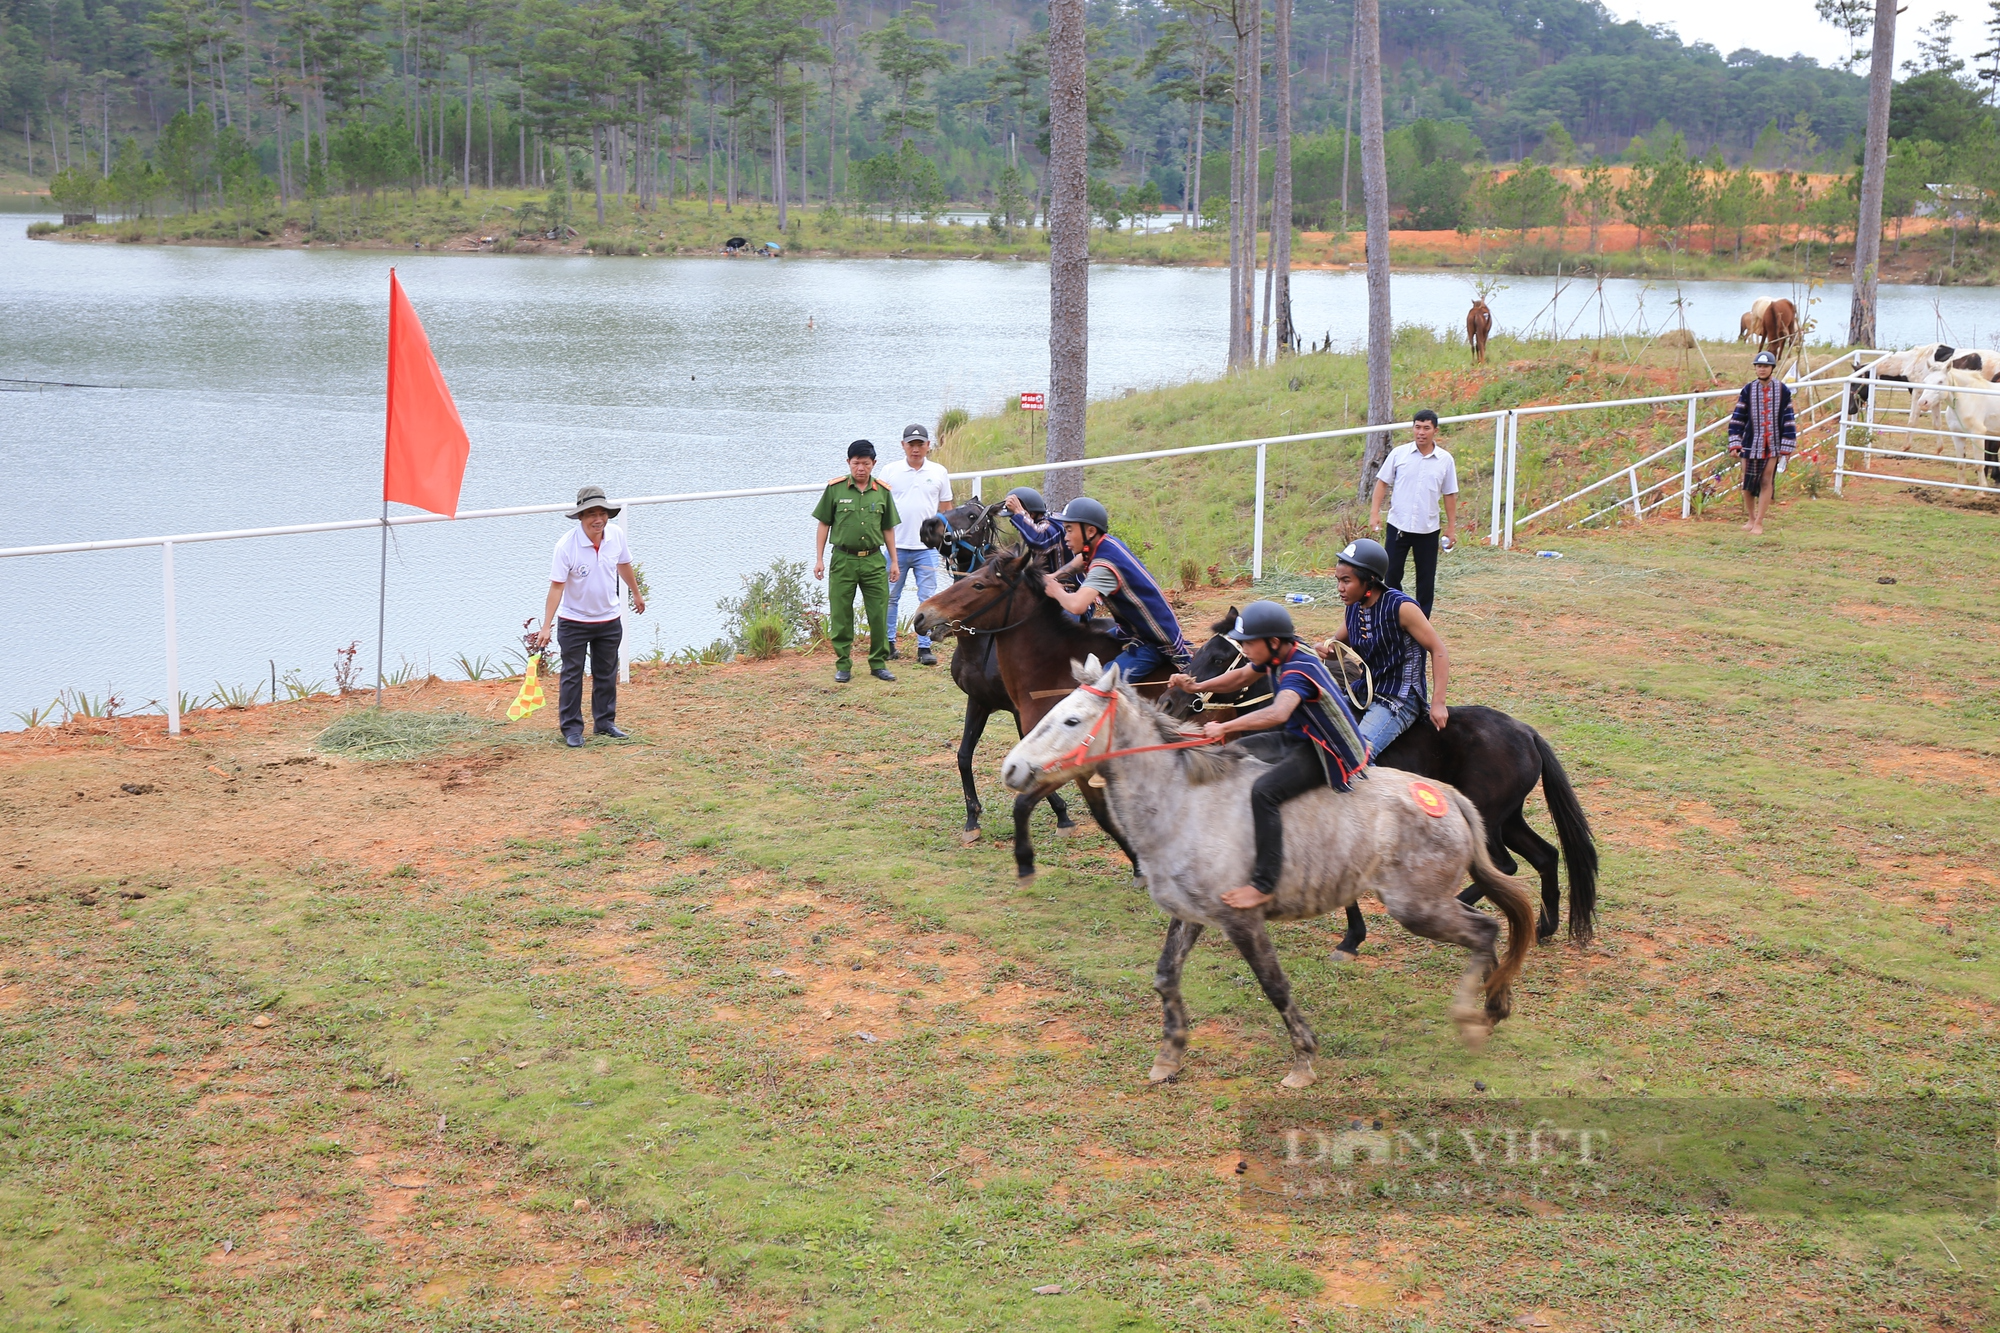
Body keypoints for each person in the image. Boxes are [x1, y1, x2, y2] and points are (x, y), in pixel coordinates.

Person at [1168, 601, 1369, 911]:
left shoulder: (1298, 667)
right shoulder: (1279, 652)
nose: (1245, 648)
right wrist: (1197, 686)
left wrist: (1227, 726)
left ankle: (1263, 884)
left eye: (1249, 643)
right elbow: (1239, 679)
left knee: (1264, 792)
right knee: (1232, 756)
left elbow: (1278, 712)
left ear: (1273, 642)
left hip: (1326, 749)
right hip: (1298, 736)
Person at [532, 486, 646, 747]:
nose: (598, 519)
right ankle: (572, 729)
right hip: (574, 622)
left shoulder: (616, 535)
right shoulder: (566, 546)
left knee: (606, 672)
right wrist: (547, 626)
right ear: (580, 517)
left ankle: (605, 723)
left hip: (609, 619)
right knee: (572, 675)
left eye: (602, 513)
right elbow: (557, 586)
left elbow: (624, 565)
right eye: (591, 514)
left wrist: (636, 594)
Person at [1321, 538, 1451, 759]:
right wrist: (1325, 650)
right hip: (1364, 692)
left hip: (1399, 700)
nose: (1340, 588)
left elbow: (1438, 650)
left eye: (1346, 581)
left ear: (1369, 581)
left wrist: (1438, 703)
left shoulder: (1402, 608)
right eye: (1338, 580)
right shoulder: (1354, 606)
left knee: (1354, 756)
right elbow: (1338, 648)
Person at [1040, 497, 1191, 681]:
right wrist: (1054, 576)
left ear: (1090, 531)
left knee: (1100, 687)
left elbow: (1078, 606)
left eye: (1070, 529)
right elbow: (1082, 560)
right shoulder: (1105, 544)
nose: (1066, 536)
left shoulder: (1104, 568)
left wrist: (1056, 590)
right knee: (1084, 646)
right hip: (1133, 631)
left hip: (1153, 641)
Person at [812, 440, 901, 683]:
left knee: (878, 613)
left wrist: (894, 561)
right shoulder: (835, 489)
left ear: (873, 464)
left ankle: (878, 663)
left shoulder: (882, 491)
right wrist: (819, 559)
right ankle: (843, 664)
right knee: (841, 614)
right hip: (843, 560)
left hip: (873, 560)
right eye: (856, 463)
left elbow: (888, 528)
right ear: (848, 463)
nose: (860, 468)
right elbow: (823, 524)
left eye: (865, 463)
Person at [1370, 408, 1459, 618]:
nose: (1421, 432)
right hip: (1398, 525)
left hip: (1427, 529)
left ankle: (1421, 622)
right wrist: (1375, 513)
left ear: (1435, 431)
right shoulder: (1399, 454)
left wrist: (1451, 527)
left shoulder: (1445, 460)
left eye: (1426, 428)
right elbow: (1382, 483)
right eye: (1417, 427)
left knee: (1426, 579)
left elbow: (1450, 494)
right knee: (1391, 574)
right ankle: (1393, 615)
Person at [879, 423, 953, 666]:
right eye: (911, 444)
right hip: (895, 547)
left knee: (928, 597)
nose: (916, 449)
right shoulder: (889, 472)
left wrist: (945, 546)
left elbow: (946, 511)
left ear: (928, 446)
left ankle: (925, 647)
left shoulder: (939, 471)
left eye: (920, 444)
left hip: (927, 550)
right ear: (903, 445)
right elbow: (878, 506)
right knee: (890, 597)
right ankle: (889, 644)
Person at [1727, 350, 1797, 536]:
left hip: (1772, 444)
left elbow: (1788, 418)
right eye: (1759, 366)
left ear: (1772, 368)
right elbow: (1738, 417)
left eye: (1765, 366)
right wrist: (1735, 442)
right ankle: (1750, 518)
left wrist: (1787, 445)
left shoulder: (1782, 390)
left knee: (1767, 480)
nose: (1762, 369)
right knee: (1747, 482)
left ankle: (1759, 521)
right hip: (1750, 443)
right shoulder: (1748, 390)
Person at [1001, 486, 1070, 571]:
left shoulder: (1052, 526)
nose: (1013, 523)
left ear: (1032, 514)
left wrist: (1020, 514)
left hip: (1067, 582)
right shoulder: (1049, 520)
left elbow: (1038, 541)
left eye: (1013, 517)